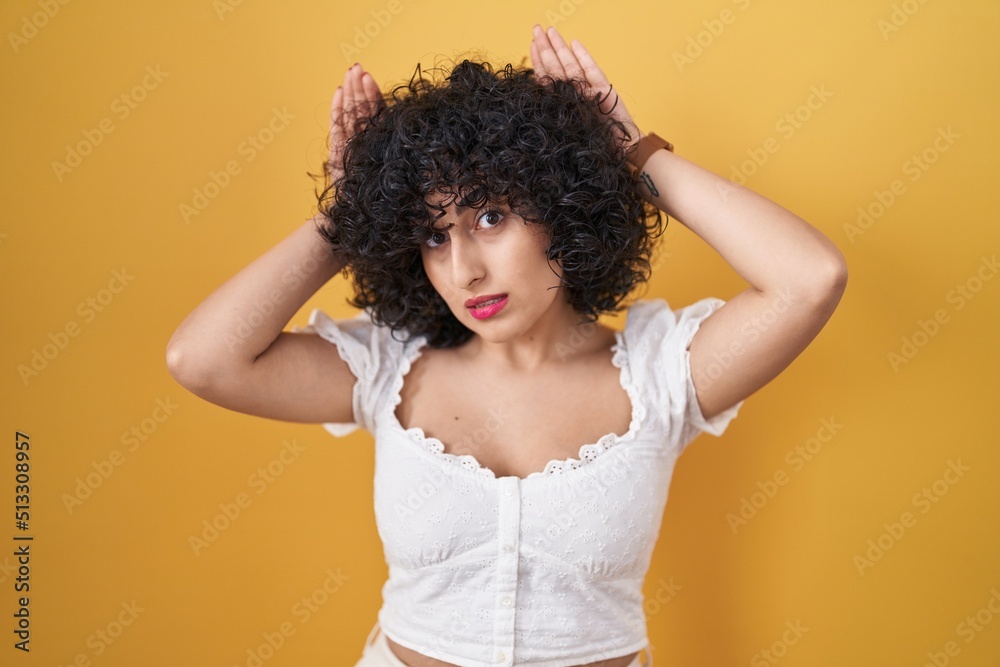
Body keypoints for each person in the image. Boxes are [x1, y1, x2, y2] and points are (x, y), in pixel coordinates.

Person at [166, 24, 847, 667]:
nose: (464, 269)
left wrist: (634, 154)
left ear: (563, 207)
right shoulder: (389, 367)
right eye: (435, 233)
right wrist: (351, 213)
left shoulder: (658, 370)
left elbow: (810, 279)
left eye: (491, 216)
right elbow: (201, 358)